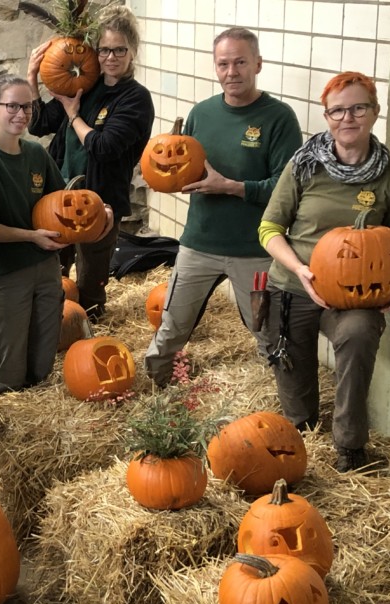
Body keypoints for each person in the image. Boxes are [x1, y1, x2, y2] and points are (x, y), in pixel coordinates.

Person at [0, 74, 114, 491]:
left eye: (26, 106)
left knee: (40, 363)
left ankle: (23, 462)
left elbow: (61, 205)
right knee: (6, 372)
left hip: (47, 272)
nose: (19, 114)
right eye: (11, 106)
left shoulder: (36, 154)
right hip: (6, 275)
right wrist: (30, 236)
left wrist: (97, 221)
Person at [258, 71, 390, 472]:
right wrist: (300, 269)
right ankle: (299, 433)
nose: (348, 118)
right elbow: (269, 229)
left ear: (375, 112)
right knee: (298, 411)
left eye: (358, 107)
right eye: (337, 111)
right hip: (294, 285)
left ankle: (350, 445)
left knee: (360, 333)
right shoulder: (305, 166)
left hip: (357, 294)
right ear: (326, 117)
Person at [143, 27, 303, 385]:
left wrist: (232, 187)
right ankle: (153, 391)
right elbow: (188, 166)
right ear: (215, 68)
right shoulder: (201, 113)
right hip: (199, 242)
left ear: (258, 64)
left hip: (254, 249)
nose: (232, 72)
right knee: (171, 327)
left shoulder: (279, 118)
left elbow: (286, 186)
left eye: (240, 62)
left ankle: (284, 401)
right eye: (223, 64)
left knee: (267, 333)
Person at [27, 4, 154, 320]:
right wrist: (32, 78)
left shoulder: (135, 98)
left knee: (89, 284)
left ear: (132, 51)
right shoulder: (87, 85)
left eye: (120, 50)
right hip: (58, 197)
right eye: (105, 50)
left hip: (99, 203)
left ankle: (86, 336)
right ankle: (54, 335)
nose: (111, 57)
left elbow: (104, 146)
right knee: (52, 274)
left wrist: (74, 115)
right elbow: (39, 124)